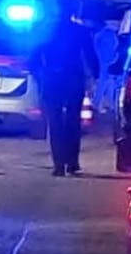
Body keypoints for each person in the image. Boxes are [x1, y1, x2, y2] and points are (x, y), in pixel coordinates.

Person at [32, 11, 100, 176]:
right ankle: (72, 163)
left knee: (55, 123)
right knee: (72, 121)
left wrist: (40, 76)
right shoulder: (79, 31)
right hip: (73, 79)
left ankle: (59, 164)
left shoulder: (45, 29)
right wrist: (95, 74)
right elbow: (90, 55)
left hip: (52, 80)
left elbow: (33, 57)